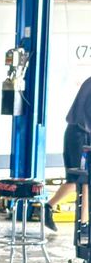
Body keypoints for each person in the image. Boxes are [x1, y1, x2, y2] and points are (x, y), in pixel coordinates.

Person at [45, 78, 91, 233]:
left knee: (76, 180)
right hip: (81, 135)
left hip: (78, 133)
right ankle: (84, 226)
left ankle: (48, 207)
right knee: (85, 180)